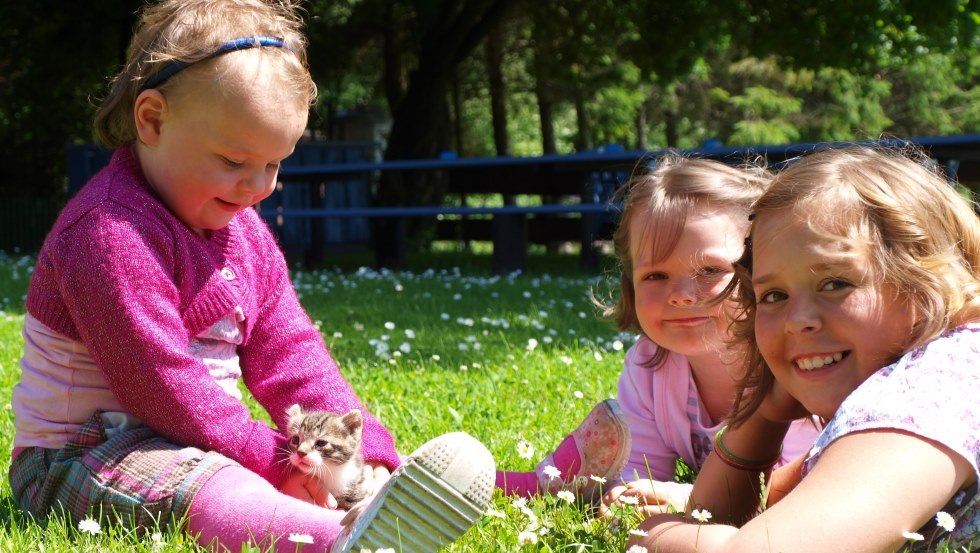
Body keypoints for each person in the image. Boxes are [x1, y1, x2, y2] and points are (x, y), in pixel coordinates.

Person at [7, 1, 494, 552]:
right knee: (216, 485)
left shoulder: (246, 234)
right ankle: (343, 539)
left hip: (197, 444)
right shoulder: (109, 233)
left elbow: (292, 352)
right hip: (80, 457)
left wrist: (364, 453)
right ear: (152, 120)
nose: (258, 186)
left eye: (275, 163)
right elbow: (163, 384)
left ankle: (419, 497)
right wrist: (270, 458)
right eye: (235, 161)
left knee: (252, 472)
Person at [630, 146, 980, 552]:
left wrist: (652, 533)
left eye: (835, 284)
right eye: (774, 295)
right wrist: (767, 411)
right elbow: (726, 509)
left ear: (929, 284)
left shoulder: (928, 393)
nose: (797, 320)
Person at [496, 155, 820, 514]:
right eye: (655, 276)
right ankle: (558, 476)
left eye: (710, 269)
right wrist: (630, 498)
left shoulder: (796, 362)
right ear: (630, 285)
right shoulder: (650, 364)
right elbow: (641, 470)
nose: (681, 294)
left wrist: (688, 499)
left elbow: (800, 490)